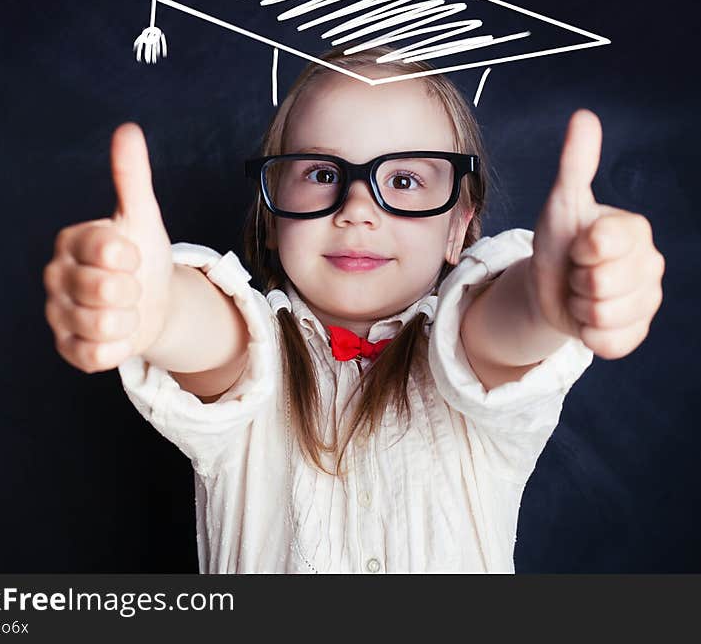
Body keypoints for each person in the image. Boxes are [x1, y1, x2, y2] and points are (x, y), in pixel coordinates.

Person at [43, 46, 665, 573]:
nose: (357, 208)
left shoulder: (472, 356)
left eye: (404, 181)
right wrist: (160, 312)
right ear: (272, 215)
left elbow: (496, 333)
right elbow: (218, 342)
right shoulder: (248, 365)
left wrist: (545, 300)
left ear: (459, 230)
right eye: (320, 172)